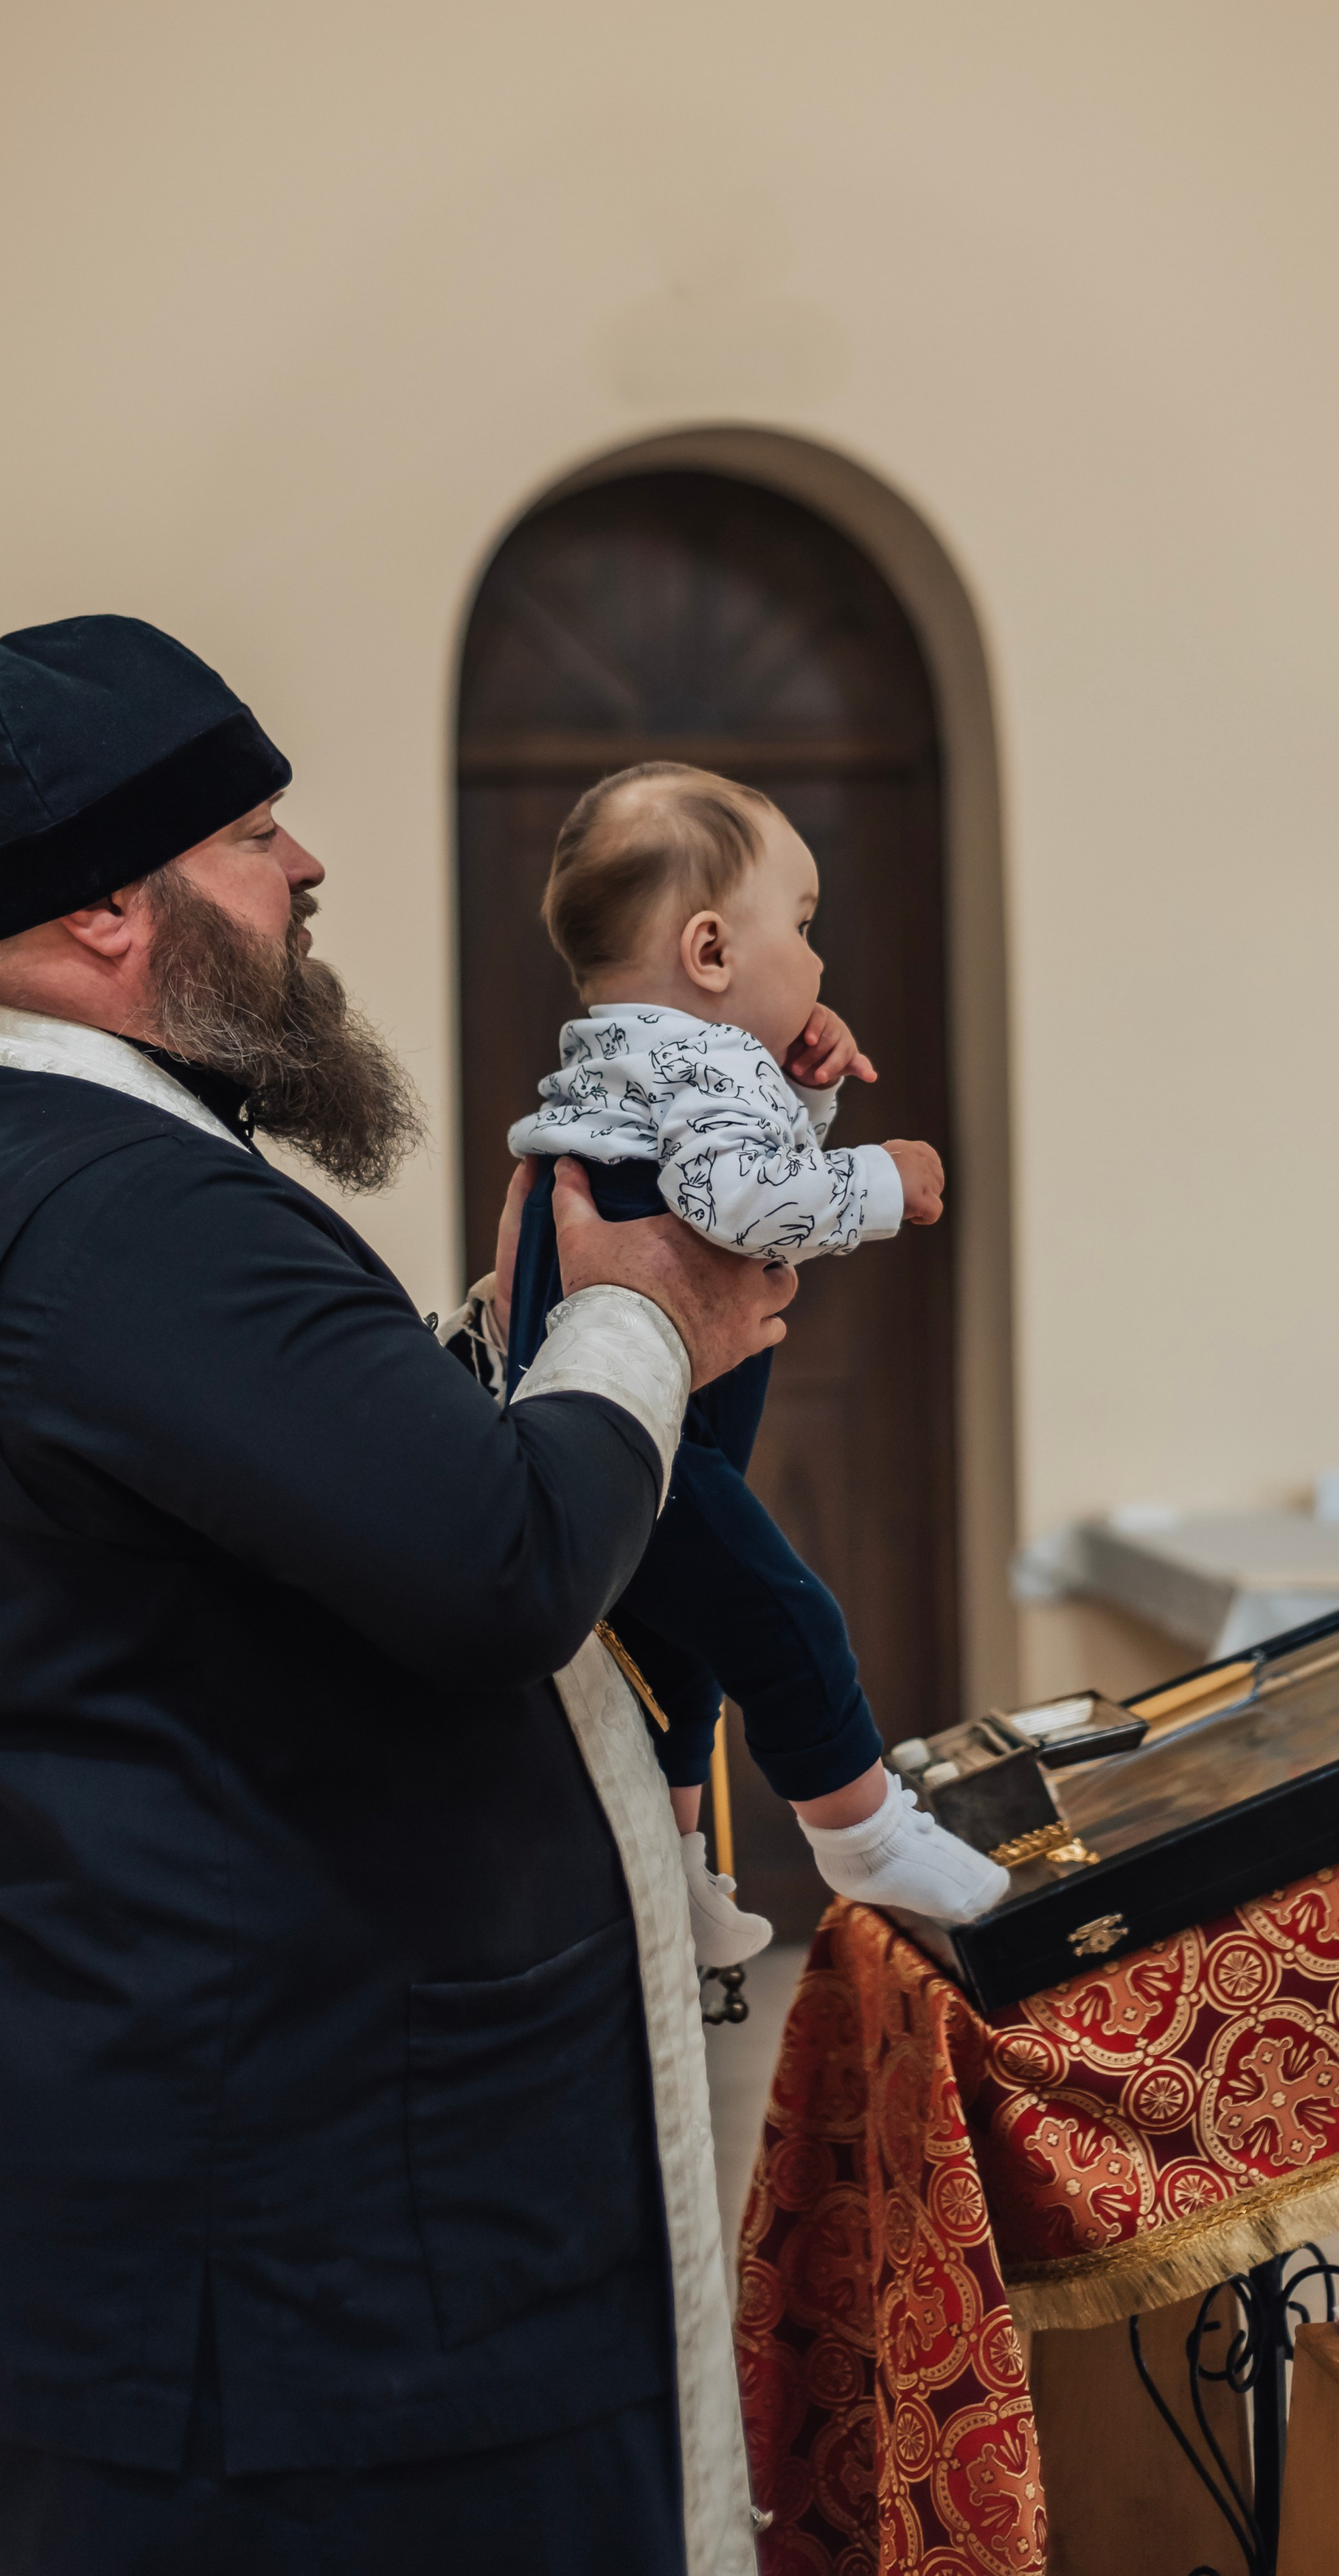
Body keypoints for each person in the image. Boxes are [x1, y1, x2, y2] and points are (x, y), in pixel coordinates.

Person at [0, 615, 786, 2576]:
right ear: (109, 903)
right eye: (251, 832)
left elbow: (328, 1505)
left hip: (252, 2254)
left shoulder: (59, 1165)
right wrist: (642, 1322)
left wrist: (520, 1342)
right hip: (279, 2305)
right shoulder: (122, 1215)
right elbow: (502, 1562)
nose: (304, 867)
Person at [501, 763, 1009, 1960]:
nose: (819, 962)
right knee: (784, 1617)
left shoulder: (642, 1051)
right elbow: (743, 1203)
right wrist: (882, 1177)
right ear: (713, 950)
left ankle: (672, 1867)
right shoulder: (700, 1063)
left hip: (623, 1417)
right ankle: (861, 1828)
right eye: (806, 924)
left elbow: (735, 1161)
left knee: (676, 1650)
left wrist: (799, 1092)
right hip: (643, 1424)